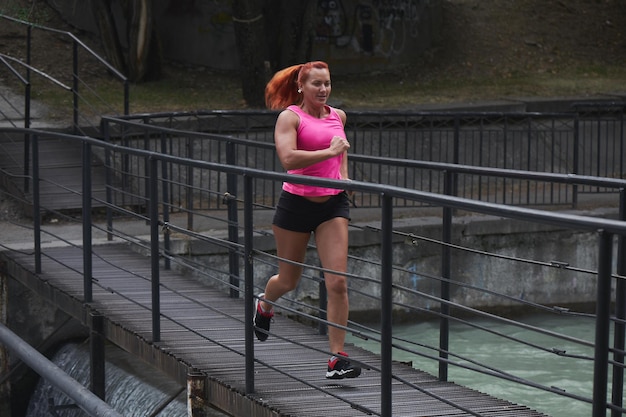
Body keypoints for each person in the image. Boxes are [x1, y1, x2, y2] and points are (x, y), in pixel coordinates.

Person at [253, 61, 361, 380]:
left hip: (332, 206)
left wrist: (343, 177)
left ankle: (336, 357)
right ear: (302, 86)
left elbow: (342, 152)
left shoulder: (338, 116)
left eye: (327, 83)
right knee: (288, 280)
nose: (323, 90)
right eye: (316, 84)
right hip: (296, 204)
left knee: (337, 282)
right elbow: (288, 158)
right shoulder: (290, 117)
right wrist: (328, 153)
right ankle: (265, 304)